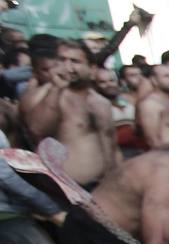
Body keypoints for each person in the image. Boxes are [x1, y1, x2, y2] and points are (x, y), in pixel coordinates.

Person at [20, 39, 116, 187]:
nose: (67, 67)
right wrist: (56, 89)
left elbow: (111, 144)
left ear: (92, 68)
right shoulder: (42, 95)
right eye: (62, 60)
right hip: (68, 189)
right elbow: (37, 129)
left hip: (106, 185)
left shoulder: (101, 102)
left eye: (75, 61)